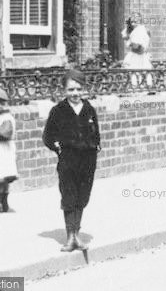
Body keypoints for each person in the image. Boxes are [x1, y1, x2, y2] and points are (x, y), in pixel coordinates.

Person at [42, 70, 101, 252]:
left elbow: (96, 133)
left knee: (82, 196)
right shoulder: (58, 111)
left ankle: (77, 234)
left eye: (78, 89)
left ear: (84, 89)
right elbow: (48, 136)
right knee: (69, 195)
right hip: (68, 160)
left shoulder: (89, 109)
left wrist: (96, 145)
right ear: (64, 90)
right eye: (70, 89)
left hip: (87, 160)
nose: (75, 93)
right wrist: (58, 148)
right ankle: (70, 236)